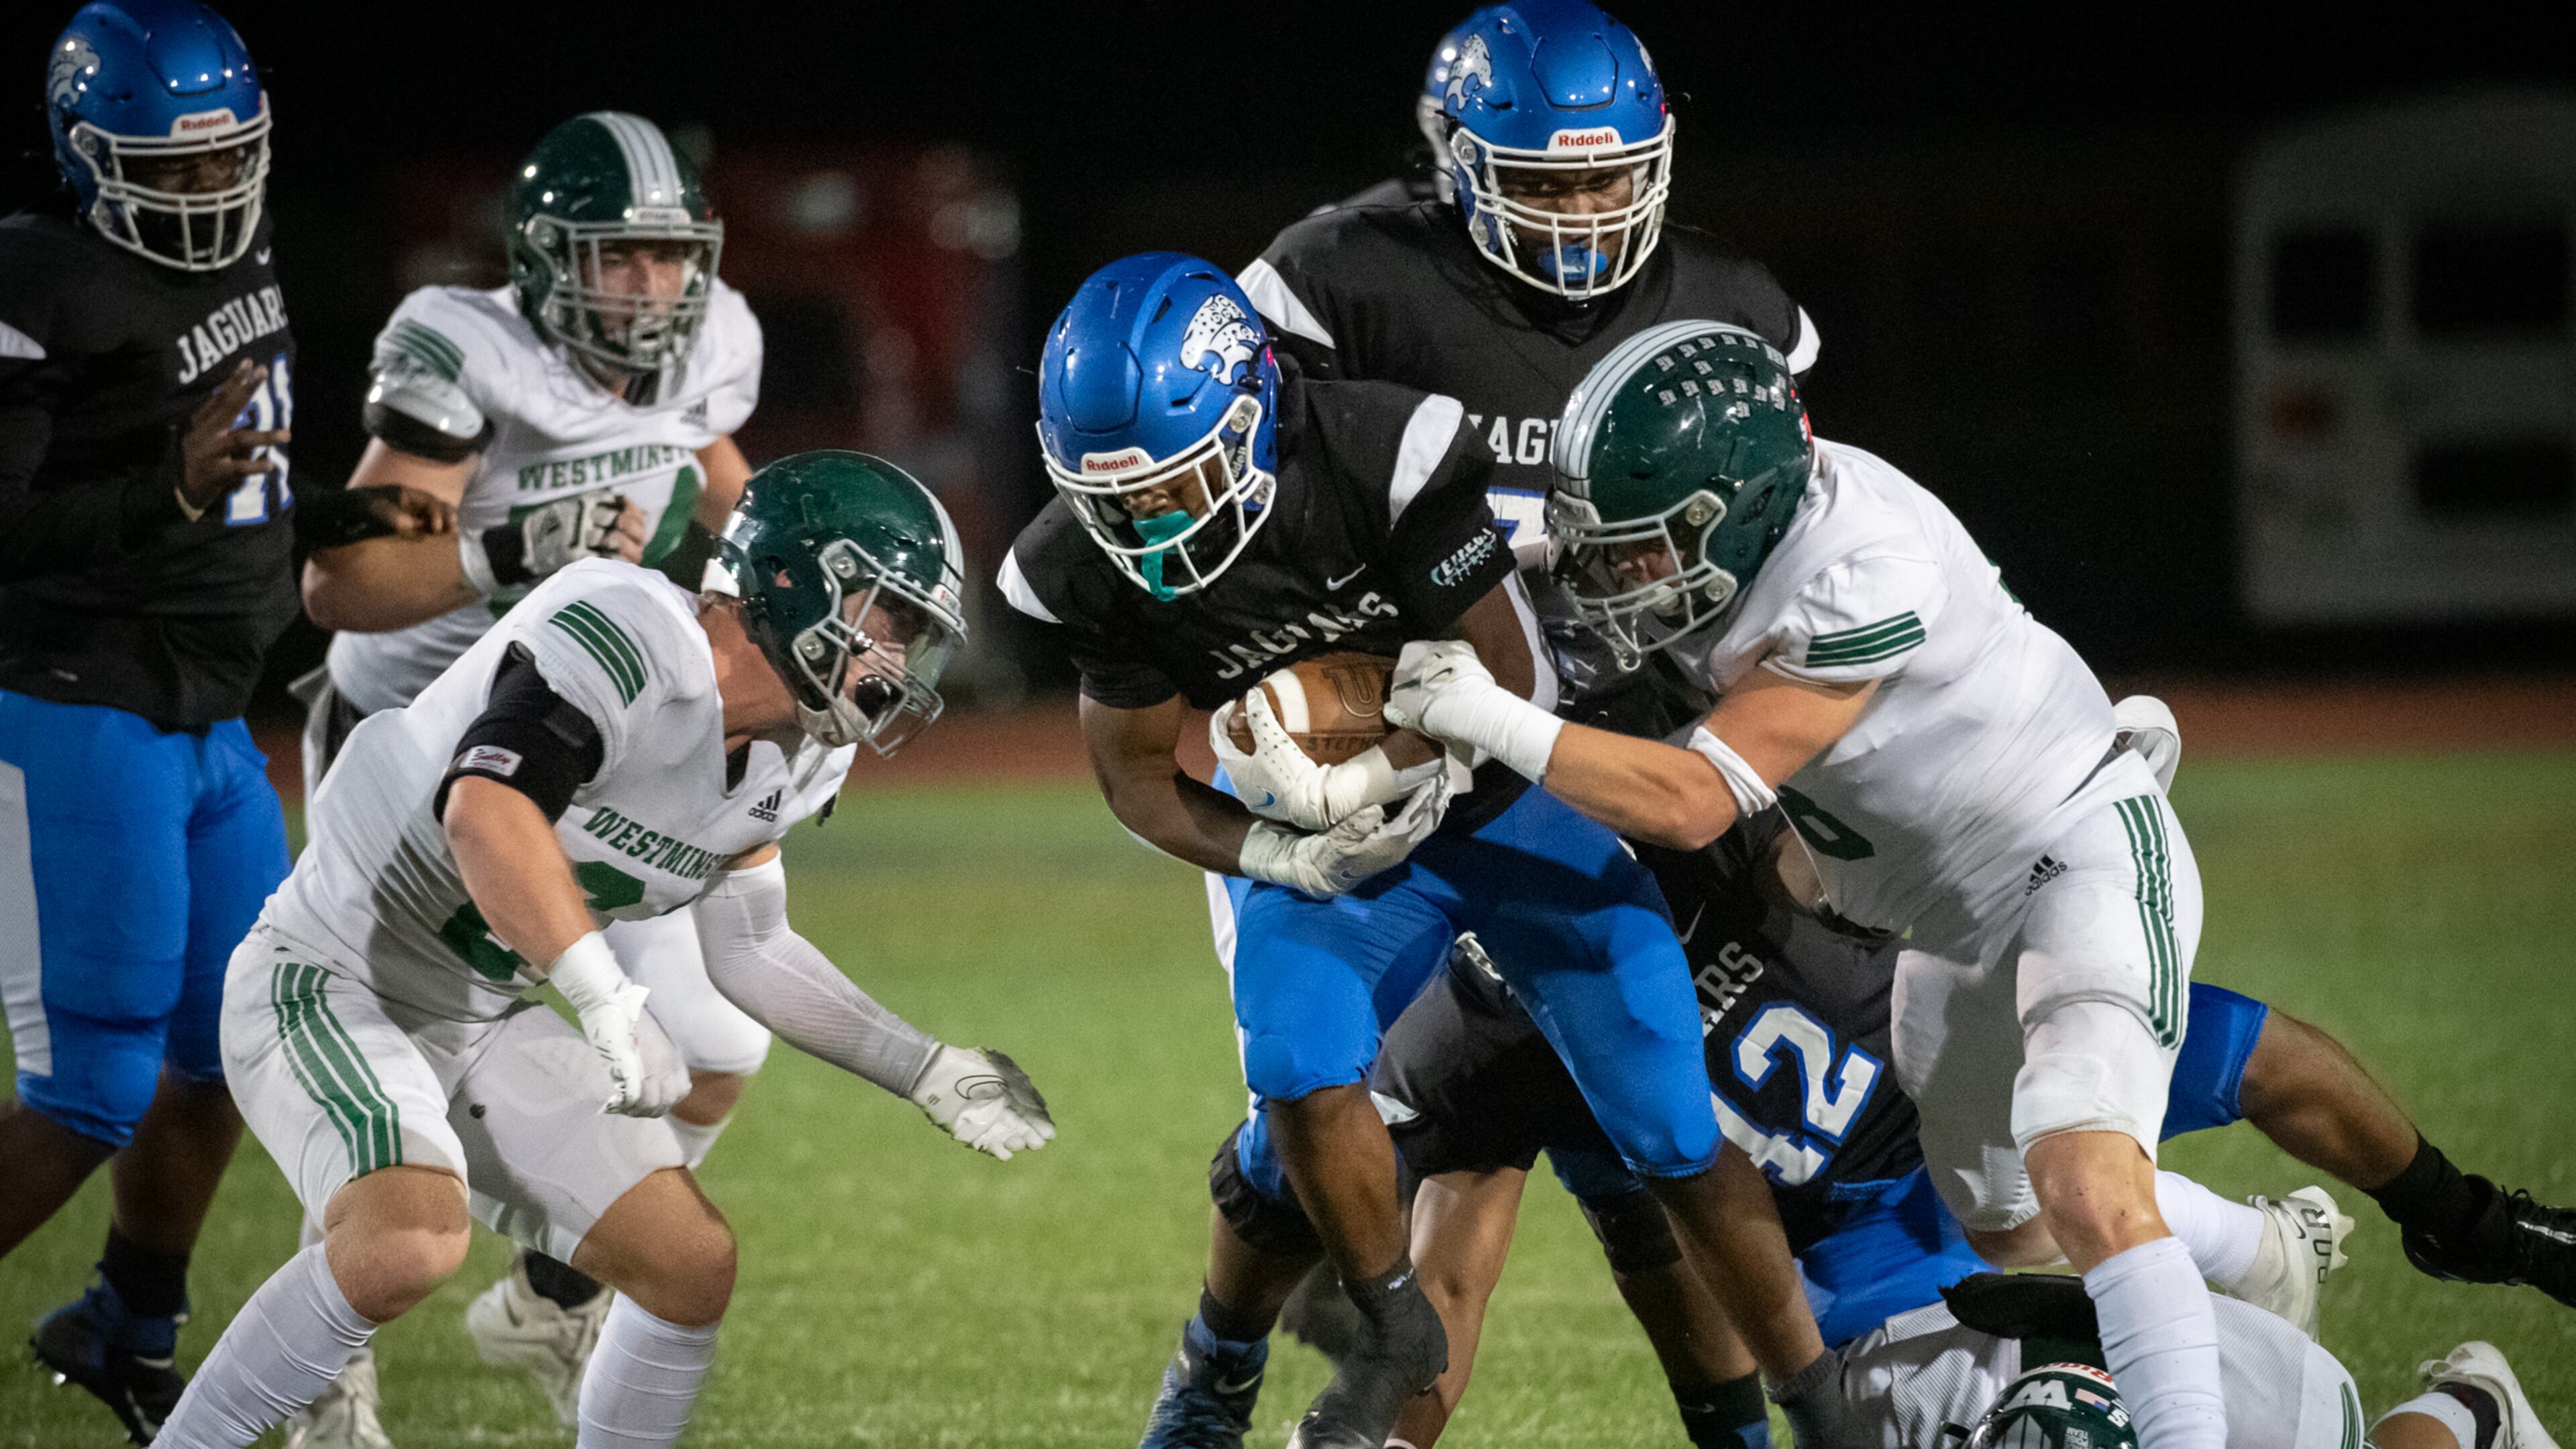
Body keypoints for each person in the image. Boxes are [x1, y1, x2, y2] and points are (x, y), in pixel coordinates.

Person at [1002, 254, 1856, 1449]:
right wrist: (1278, 856)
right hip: (1328, 840)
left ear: (1253, 416)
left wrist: (1382, 766)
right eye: (1118, 501)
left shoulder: (1381, 453)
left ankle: (1816, 1406)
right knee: (1295, 1065)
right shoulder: (1077, 566)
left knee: (1667, 1120)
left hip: (1502, 800)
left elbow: (1513, 677)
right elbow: (1139, 780)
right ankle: (1369, 1327)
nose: (1149, 525)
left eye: (1174, 482)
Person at [1382, 321, 2237, 1447]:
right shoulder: (1751, 517)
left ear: (1733, 517)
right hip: (1939, 921)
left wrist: (1486, 715)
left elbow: (1694, 800)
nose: (1619, 575)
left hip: (2071, 856)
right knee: (2012, 1222)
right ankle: (2258, 1249)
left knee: (2085, 1179)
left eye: (1643, 550)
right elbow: (1550, 559)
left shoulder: (1860, 570)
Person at [149, 450, 1053, 1449]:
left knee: (690, 1265)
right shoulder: (630, 631)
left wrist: (921, 1066)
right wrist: (604, 996)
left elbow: (752, 946)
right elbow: (486, 810)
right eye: (890, 619)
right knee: (408, 1239)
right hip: (331, 977)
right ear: (793, 577)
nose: (896, 660)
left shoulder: (801, 756)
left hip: (476, 1016)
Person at [284, 107, 764, 1444]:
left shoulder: (711, 345)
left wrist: (795, 569)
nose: (650, 289)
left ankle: (550, 1302)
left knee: (713, 1045)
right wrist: (509, 550)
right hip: (417, 750)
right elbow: (341, 580)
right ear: (548, 260)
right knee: (393, 1083)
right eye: (619, 258)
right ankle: (322, 1364)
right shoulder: (468, 349)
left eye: (670, 258)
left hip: (576, 740)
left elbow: (719, 475)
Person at [2, 5, 440, 1440]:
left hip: (206, 716)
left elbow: (225, 477)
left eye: (220, 162)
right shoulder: (38, 277)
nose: (202, 194)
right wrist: (170, 493)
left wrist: (323, 514)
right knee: (90, 1086)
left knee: (236, 1043)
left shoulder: (241, 260)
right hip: (76, 705)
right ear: (87, 155)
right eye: (167, 171)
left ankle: (126, 1321)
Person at [1239, 0, 1819, 564]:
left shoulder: (1732, 306)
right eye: (1541, 186)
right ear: (1469, 167)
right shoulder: (1338, 279)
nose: (1580, 216)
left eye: (1605, 181)